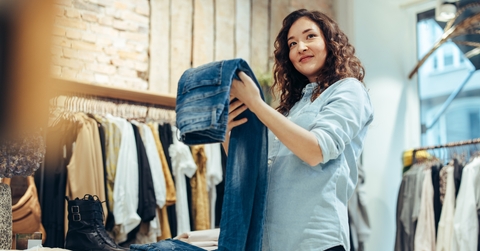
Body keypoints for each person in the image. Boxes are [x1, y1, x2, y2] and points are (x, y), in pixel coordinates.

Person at [224, 9, 374, 251]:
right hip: (268, 241)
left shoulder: (349, 90)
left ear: (330, 42)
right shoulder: (288, 110)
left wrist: (256, 103)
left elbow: (316, 150)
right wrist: (229, 135)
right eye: (292, 44)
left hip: (315, 240)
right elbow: (253, 171)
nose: (300, 47)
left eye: (310, 37)